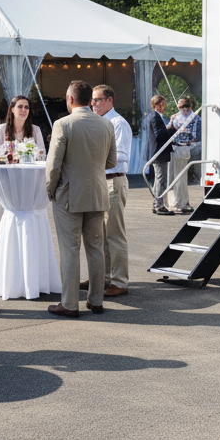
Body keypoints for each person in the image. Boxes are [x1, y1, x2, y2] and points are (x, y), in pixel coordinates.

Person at [45, 81, 116, 318]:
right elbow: (111, 162)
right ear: (90, 100)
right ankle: (96, 300)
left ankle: (69, 303)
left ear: (70, 99)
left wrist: (50, 189)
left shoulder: (62, 124)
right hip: (97, 191)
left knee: (70, 249)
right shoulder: (106, 124)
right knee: (96, 248)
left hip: (69, 194)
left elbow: (53, 164)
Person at [88, 85, 131, 297]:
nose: (93, 103)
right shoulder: (100, 122)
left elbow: (121, 157)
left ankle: (120, 281)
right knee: (100, 234)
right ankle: (103, 277)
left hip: (113, 180)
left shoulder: (118, 123)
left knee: (114, 234)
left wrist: (95, 162)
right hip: (101, 181)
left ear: (109, 101)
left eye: (98, 100)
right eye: (92, 100)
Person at [0, 96, 45, 229]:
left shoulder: (35, 130)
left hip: (28, 182)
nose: (24, 110)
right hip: (5, 181)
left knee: (27, 224)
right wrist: (12, 154)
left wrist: (30, 154)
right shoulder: (1, 130)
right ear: (12, 109)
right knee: (6, 225)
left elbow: (42, 155)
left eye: (26, 107)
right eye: (20, 106)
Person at [168, 96, 202, 214]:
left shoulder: (195, 118)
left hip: (182, 148)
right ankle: (183, 202)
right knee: (177, 177)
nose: (182, 109)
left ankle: (179, 203)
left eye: (183, 106)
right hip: (174, 148)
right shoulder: (176, 116)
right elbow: (168, 129)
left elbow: (196, 137)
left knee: (179, 178)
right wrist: (172, 122)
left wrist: (183, 134)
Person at [142, 95, 175, 215]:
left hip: (155, 152)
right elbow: (160, 135)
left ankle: (157, 203)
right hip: (159, 153)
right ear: (157, 104)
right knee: (161, 179)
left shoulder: (150, 116)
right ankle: (159, 205)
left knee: (158, 179)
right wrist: (171, 128)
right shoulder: (155, 116)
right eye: (163, 104)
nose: (164, 107)